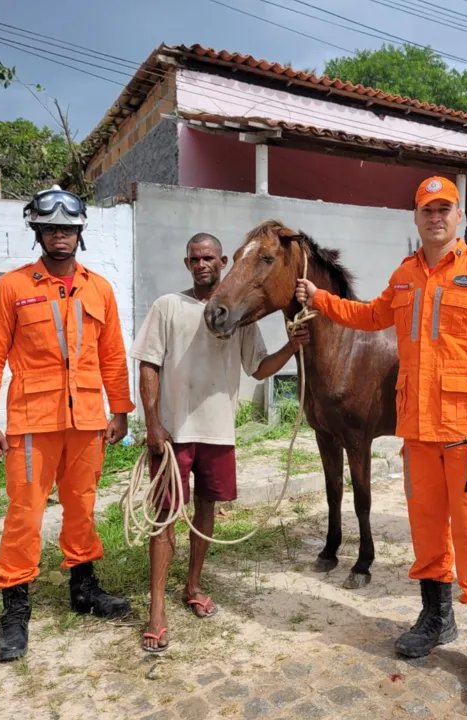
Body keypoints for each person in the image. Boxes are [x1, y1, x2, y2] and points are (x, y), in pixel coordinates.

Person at [295, 176, 467, 704]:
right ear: (416, 218)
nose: (435, 217)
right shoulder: (405, 276)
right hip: (417, 433)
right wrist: (320, 299)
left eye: (444, 209)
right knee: (427, 536)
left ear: (457, 216)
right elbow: (370, 317)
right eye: (426, 210)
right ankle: (436, 619)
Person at [0, 186, 136, 663]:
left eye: (67, 228)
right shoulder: (13, 288)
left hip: (86, 420)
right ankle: (15, 609)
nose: (59, 235)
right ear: (37, 231)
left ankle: (84, 590)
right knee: (25, 513)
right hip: (30, 421)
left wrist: (120, 409)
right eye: (50, 228)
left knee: (82, 505)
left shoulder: (99, 288)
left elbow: (113, 355)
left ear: (79, 232)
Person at [130, 232, 310, 653]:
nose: (202, 264)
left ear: (224, 261)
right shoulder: (168, 307)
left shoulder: (240, 315)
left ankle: (192, 586)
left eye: (209, 257)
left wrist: (292, 346)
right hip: (174, 434)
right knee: (164, 518)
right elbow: (148, 367)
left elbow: (259, 369)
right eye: (195, 258)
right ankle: (157, 610)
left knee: (206, 511)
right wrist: (153, 424)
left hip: (218, 434)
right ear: (187, 262)